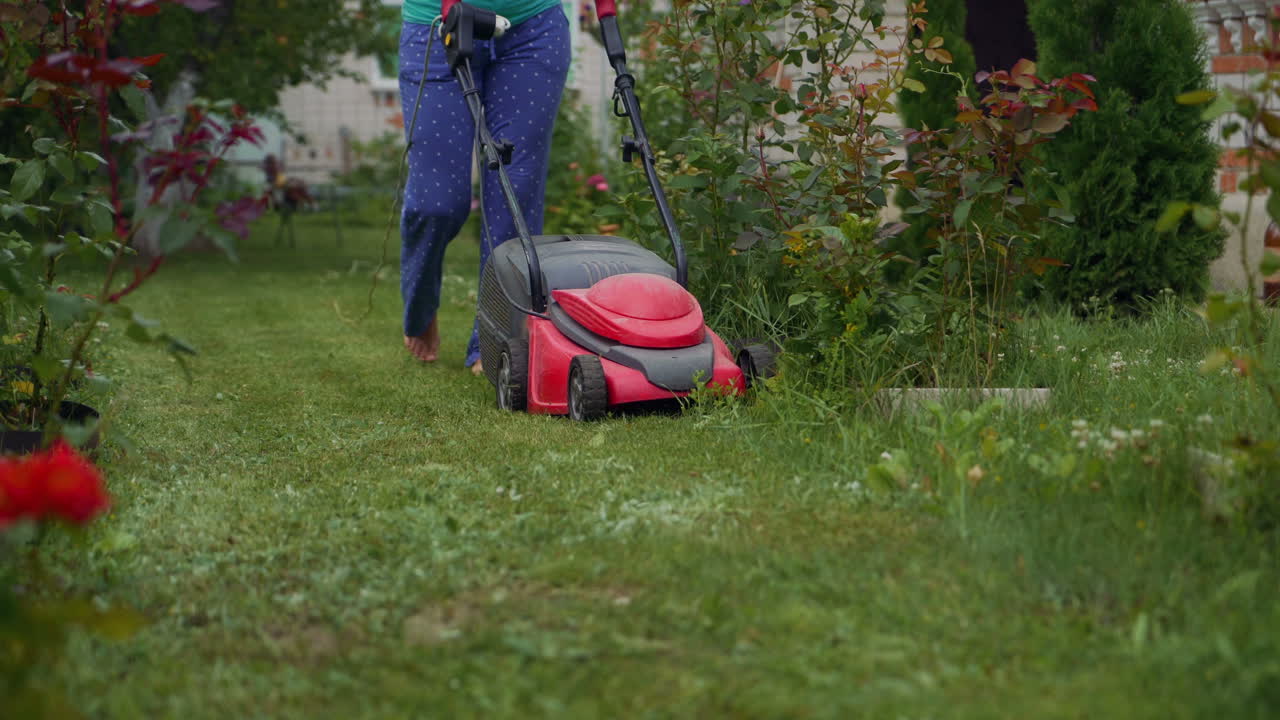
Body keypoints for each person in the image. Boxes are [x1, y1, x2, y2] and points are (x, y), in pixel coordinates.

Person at [399, 0, 571, 372]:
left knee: (514, 195)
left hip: (532, 26)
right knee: (436, 203)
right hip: (436, 22)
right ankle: (421, 304)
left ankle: (493, 344)